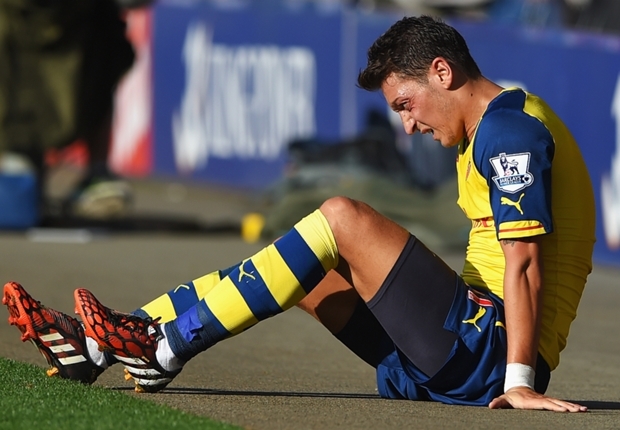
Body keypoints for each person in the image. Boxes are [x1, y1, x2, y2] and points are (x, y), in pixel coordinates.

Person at [3, 15, 595, 411]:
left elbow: (524, 263)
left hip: (492, 358)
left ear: (443, 71)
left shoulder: (511, 133)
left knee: (341, 217)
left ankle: (165, 349)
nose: (408, 125)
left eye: (406, 104)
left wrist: (519, 383)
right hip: (458, 350)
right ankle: (102, 344)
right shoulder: (488, 132)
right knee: (295, 265)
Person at [0, 0, 135, 220]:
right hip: (19, 22)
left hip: (81, 21)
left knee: (103, 52)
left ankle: (97, 174)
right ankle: (13, 161)